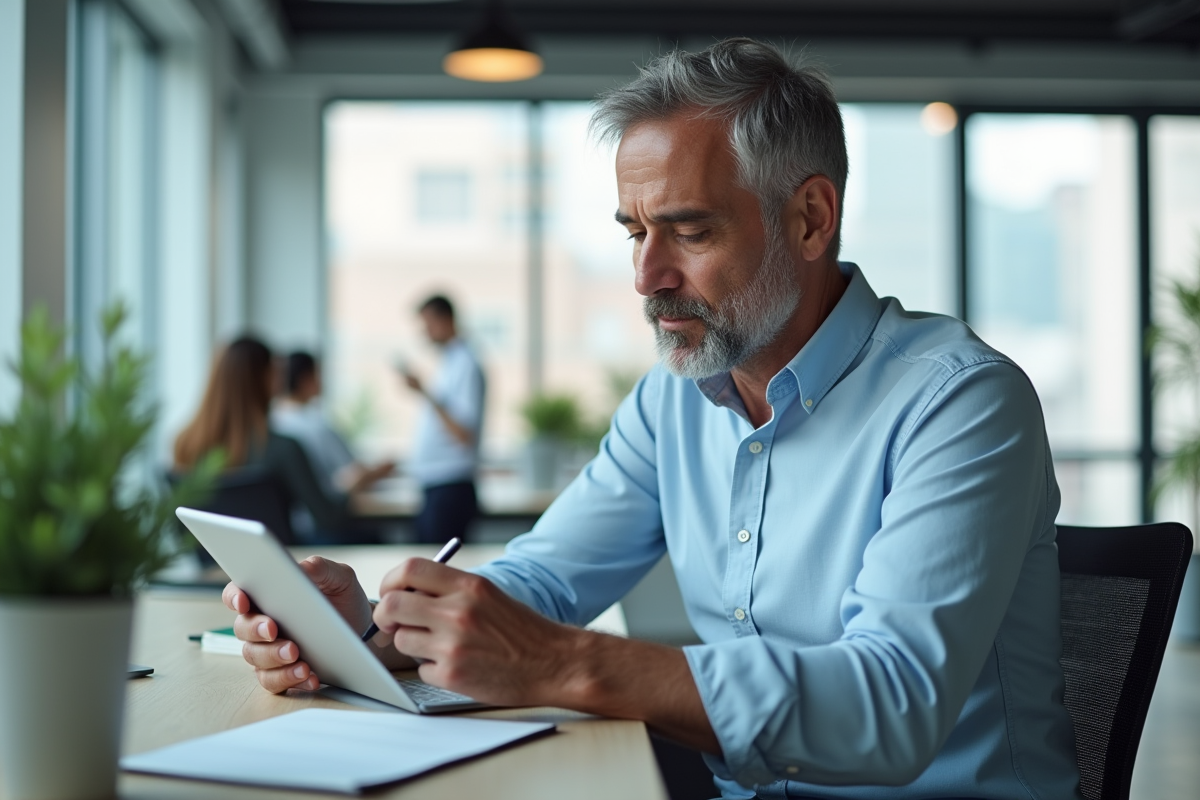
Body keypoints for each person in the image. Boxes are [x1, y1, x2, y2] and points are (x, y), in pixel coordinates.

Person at [222, 40, 1082, 800]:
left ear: (810, 218)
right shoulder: (675, 397)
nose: (645, 276)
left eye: (689, 232)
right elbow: (547, 582)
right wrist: (376, 629)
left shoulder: (961, 403)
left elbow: (890, 707)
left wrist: (561, 662)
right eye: (634, 231)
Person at [174, 336, 361, 539]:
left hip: (214, 567)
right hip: (282, 565)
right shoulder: (283, 448)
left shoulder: (185, 445)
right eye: (277, 373)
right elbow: (328, 517)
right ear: (265, 379)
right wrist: (348, 488)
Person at [398, 295, 486, 544]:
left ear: (446, 319)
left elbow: (463, 433)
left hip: (451, 487)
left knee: (439, 570)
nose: (424, 332)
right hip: (437, 484)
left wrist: (424, 391)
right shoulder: (450, 363)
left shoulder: (466, 365)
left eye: (428, 324)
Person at [271, 351, 394, 501]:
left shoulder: (273, 421)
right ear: (306, 379)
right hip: (326, 512)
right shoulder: (316, 425)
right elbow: (352, 473)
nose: (322, 381)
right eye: (318, 374)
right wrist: (380, 471)